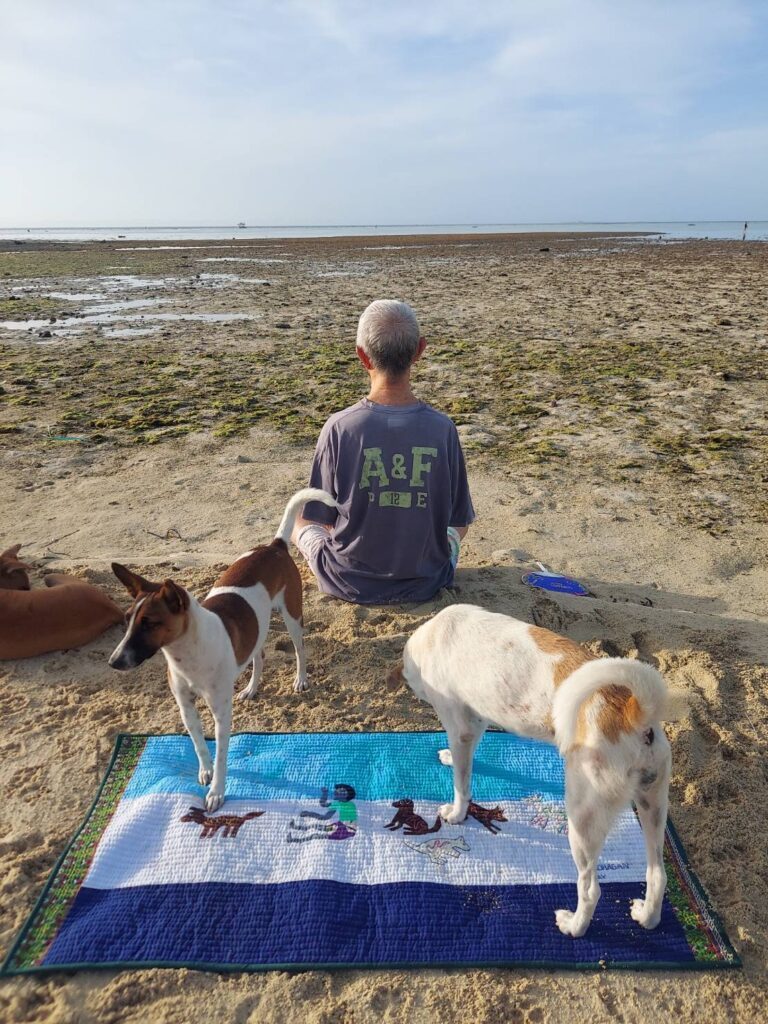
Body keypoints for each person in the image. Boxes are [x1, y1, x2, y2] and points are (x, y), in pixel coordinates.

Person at [291, 299, 475, 604]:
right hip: (428, 580)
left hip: (347, 579)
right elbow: (459, 520)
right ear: (420, 351)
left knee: (301, 522)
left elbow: (317, 517)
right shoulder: (442, 429)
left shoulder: (339, 428)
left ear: (363, 356)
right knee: (450, 533)